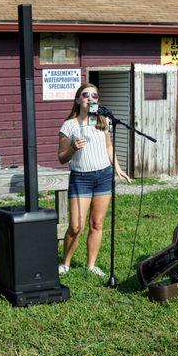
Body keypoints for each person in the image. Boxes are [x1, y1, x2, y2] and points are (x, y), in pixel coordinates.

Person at [57, 83, 131, 276]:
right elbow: (62, 158)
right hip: (81, 178)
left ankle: (91, 265)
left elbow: (108, 147)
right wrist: (73, 147)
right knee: (76, 226)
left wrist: (118, 168)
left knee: (97, 224)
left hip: (103, 176)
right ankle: (65, 263)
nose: (90, 98)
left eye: (94, 95)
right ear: (77, 99)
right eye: (85, 95)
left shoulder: (103, 121)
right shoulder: (69, 125)